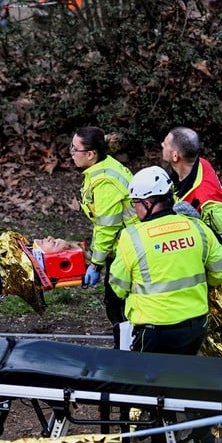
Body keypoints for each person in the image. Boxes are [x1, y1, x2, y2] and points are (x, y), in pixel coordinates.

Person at [108, 166, 222, 443]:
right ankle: (193, 442)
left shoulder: (131, 238)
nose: (134, 209)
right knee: (181, 380)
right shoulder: (197, 229)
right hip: (194, 327)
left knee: (152, 390)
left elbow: (117, 286)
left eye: (136, 203)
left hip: (154, 331)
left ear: (149, 203)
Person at [161, 126, 222, 320]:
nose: (162, 145)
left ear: (176, 156)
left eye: (166, 143)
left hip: (217, 267)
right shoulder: (197, 164)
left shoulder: (207, 200)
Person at [70, 126, 138, 346]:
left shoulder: (104, 181)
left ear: (90, 154)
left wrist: (95, 264)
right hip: (127, 246)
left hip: (129, 250)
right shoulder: (105, 169)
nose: (71, 152)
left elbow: (107, 226)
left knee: (117, 305)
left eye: (74, 148)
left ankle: (126, 352)